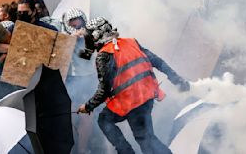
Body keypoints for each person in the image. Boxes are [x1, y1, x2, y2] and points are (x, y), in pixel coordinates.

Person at [77, 17, 190, 154]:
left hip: (131, 101)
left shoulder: (104, 56)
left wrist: (88, 106)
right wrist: (177, 79)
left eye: (89, 36)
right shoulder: (131, 42)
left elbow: (104, 90)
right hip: (146, 95)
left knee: (106, 121)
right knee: (146, 140)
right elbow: (157, 61)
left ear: (96, 35)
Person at [62, 8, 98, 154]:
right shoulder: (65, 37)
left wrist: (83, 36)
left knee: (86, 118)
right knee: (70, 117)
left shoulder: (91, 34)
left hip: (89, 79)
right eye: (72, 22)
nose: (76, 24)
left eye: (79, 21)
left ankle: (82, 149)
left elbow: (89, 53)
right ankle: (72, 147)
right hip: (72, 80)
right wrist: (71, 39)